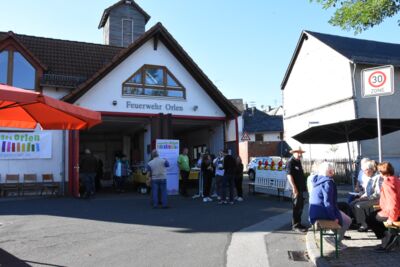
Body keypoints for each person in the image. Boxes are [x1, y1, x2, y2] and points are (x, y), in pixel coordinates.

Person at [309, 162, 352, 250]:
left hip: (313, 213)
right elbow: (328, 203)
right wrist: (333, 217)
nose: (333, 172)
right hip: (322, 211)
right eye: (332, 170)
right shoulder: (328, 182)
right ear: (329, 171)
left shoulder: (317, 180)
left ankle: (333, 237)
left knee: (342, 214)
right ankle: (336, 241)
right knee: (347, 220)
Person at [366, 162, 400, 252]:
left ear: (381, 172)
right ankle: (388, 237)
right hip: (392, 210)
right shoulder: (395, 179)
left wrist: (392, 218)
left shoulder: (388, 183)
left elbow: (394, 202)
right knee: (372, 216)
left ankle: (388, 239)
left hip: (393, 212)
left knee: (371, 219)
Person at [351, 160, 383, 232]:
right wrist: (362, 196)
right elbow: (368, 192)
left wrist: (366, 198)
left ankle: (364, 225)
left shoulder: (377, 177)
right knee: (352, 203)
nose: (364, 173)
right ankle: (359, 222)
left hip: (377, 199)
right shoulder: (370, 178)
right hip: (370, 198)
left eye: (365, 171)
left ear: (370, 170)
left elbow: (378, 193)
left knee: (358, 205)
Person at [286, 147, 308, 232]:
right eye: (298, 152)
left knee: (300, 207)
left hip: (300, 189)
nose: (300, 154)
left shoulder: (298, 162)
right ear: (293, 153)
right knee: (296, 207)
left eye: (300, 153)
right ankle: (295, 226)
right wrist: (294, 188)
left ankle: (298, 223)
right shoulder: (290, 162)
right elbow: (289, 175)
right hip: (295, 189)